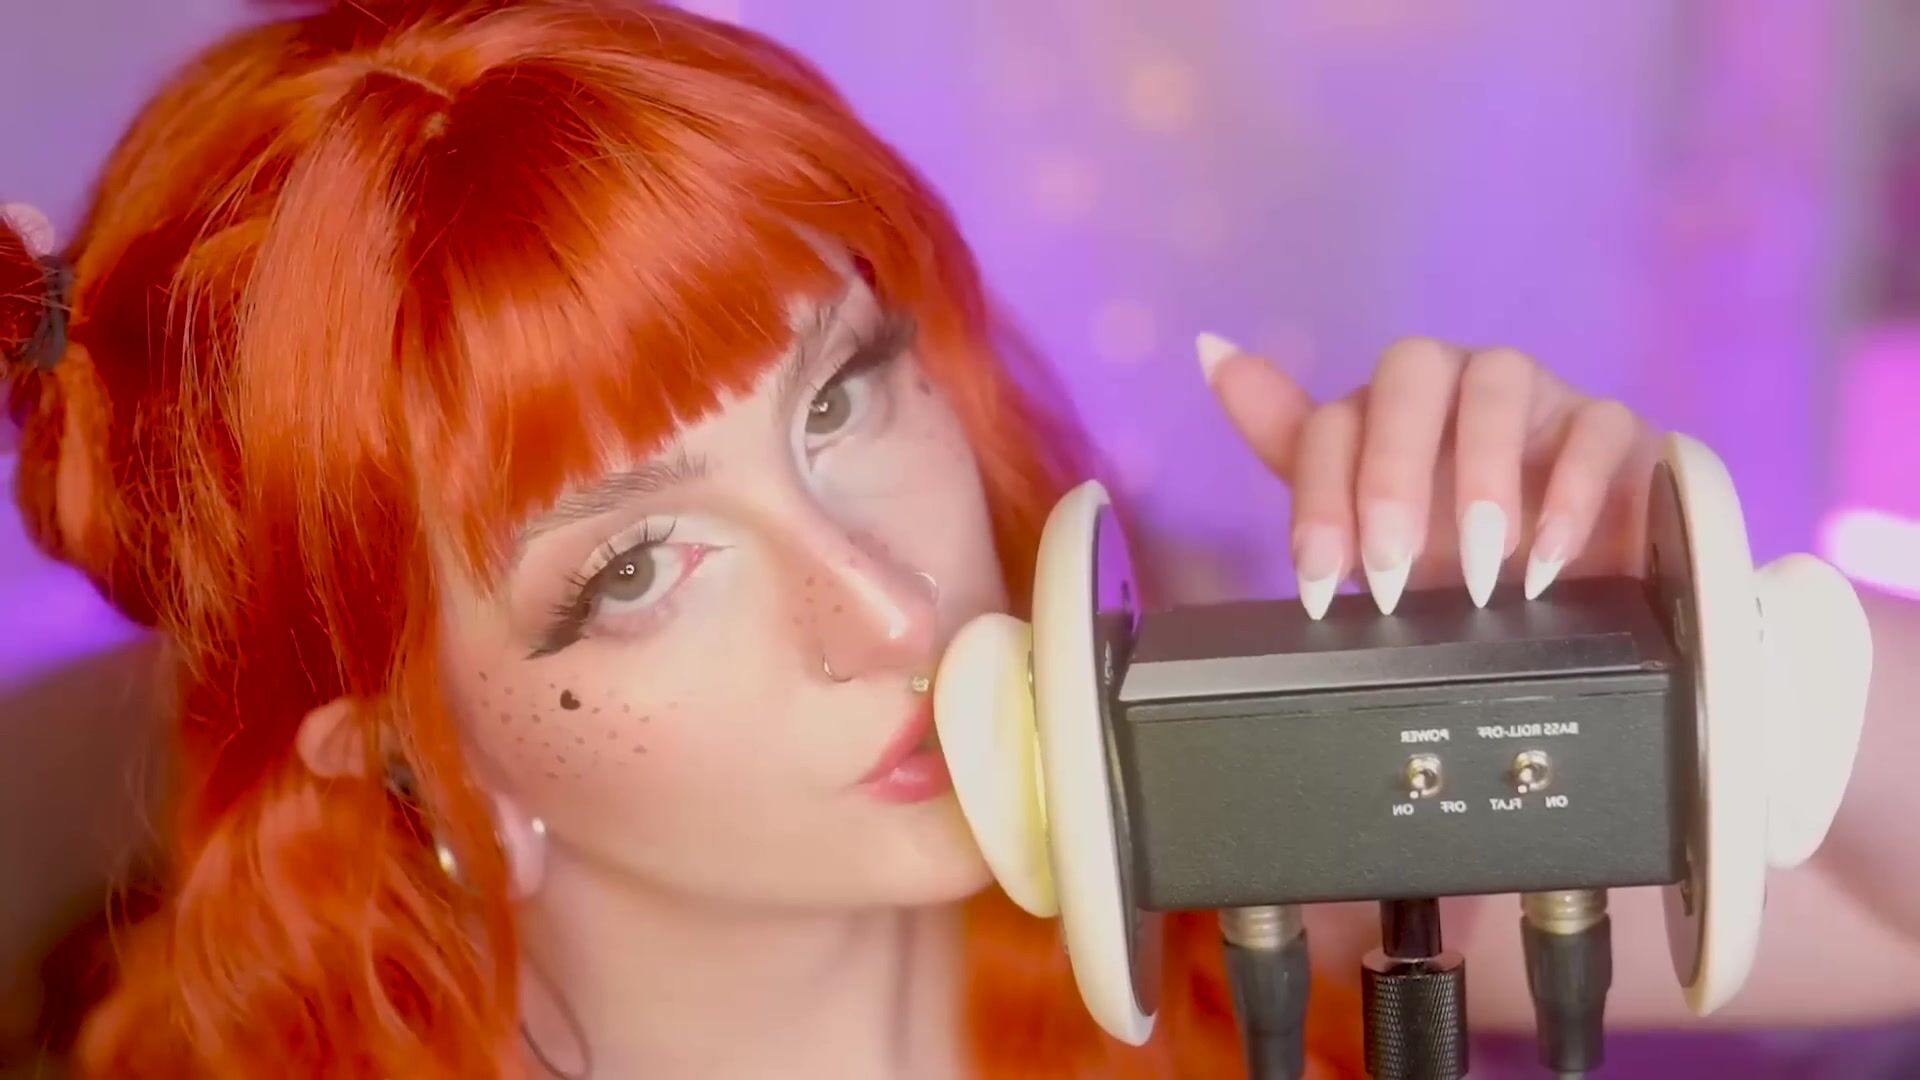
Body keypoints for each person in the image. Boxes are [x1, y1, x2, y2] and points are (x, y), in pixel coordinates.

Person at [0, 1, 1912, 1076]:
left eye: (839, 397)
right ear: (401, 737)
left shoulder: (1246, 858)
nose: (886, 602)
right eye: (633, 570)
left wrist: (1691, 614)